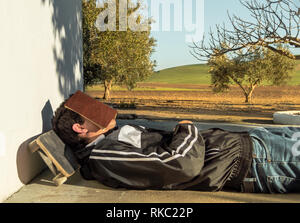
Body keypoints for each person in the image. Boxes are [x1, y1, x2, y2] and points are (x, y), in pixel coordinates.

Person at [52, 96, 300, 193]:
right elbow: (180, 164)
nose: (101, 108)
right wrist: (186, 127)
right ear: (81, 128)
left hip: (257, 141)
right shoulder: (104, 156)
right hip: (258, 162)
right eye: (91, 110)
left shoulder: (109, 138)